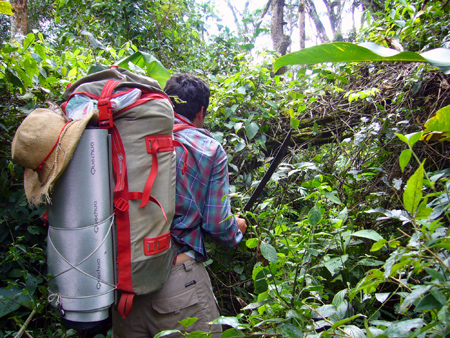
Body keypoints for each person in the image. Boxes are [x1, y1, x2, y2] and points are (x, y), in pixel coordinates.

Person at [112, 74, 247, 338]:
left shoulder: (130, 139)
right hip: (178, 284)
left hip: (124, 282)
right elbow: (217, 225)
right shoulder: (209, 149)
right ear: (201, 111)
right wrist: (236, 228)